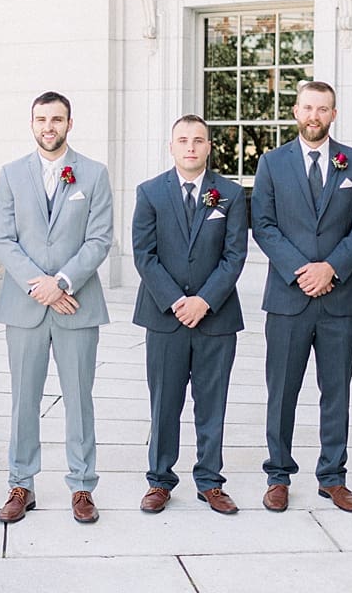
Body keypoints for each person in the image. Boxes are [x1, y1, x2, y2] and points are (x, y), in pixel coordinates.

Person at [251, 81, 352, 514]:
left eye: (322, 109)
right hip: (288, 296)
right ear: (295, 111)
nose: (314, 115)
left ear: (333, 114)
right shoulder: (271, 163)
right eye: (308, 107)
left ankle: (333, 477)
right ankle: (278, 475)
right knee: (281, 390)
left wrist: (331, 269)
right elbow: (263, 224)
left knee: (336, 390)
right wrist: (301, 271)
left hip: (340, 299)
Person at [0, 91, 113, 525]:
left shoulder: (94, 174)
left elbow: (99, 239)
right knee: (24, 399)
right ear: (31, 123)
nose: (49, 126)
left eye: (57, 119)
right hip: (25, 307)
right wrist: (40, 287)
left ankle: (82, 486)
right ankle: (21, 484)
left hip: (77, 305)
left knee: (80, 398)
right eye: (41, 119)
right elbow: (4, 239)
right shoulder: (10, 174)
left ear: (69, 123)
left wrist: (61, 282)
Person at [132, 114, 247, 516]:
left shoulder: (230, 194)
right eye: (183, 140)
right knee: (164, 401)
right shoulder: (149, 193)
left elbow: (235, 256)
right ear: (172, 146)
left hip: (216, 317)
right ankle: (160, 480)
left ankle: (210, 481)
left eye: (198, 140)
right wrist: (177, 301)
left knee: (212, 402)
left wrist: (204, 300)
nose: (191, 147)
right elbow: (144, 255)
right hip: (164, 317)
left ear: (209, 146)